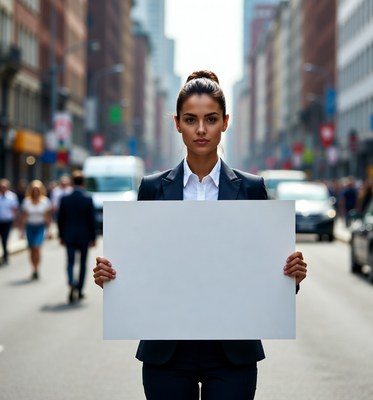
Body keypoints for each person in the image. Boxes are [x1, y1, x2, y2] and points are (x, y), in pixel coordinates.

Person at [93, 70, 308, 400]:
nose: (202, 129)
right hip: (166, 351)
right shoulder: (153, 188)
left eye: (211, 119)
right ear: (177, 123)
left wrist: (290, 278)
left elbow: (263, 273)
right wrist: (111, 277)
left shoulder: (251, 189)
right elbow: (140, 264)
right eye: (191, 120)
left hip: (231, 352)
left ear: (225, 122)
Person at [57, 170, 96, 303]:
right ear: (83, 183)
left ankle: (71, 282)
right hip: (84, 236)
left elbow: (60, 219)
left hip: (69, 235)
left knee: (70, 262)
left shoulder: (65, 199)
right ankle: (79, 289)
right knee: (83, 264)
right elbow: (92, 220)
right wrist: (93, 238)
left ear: (72, 182)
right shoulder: (88, 198)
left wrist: (61, 236)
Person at [20, 180, 52, 280]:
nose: (35, 192)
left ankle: (37, 268)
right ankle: (33, 268)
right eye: (34, 190)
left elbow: (47, 217)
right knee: (31, 249)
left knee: (36, 248)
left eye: (37, 190)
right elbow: (24, 217)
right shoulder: (27, 201)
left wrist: (49, 230)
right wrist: (21, 231)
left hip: (40, 227)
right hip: (30, 227)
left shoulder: (45, 201)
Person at [0, 179, 19, 266]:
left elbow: (15, 209)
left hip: (7, 221)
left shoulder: (12, 196)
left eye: (4, 187)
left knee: (5, 238)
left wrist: (15, 221)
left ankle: (5, 255)